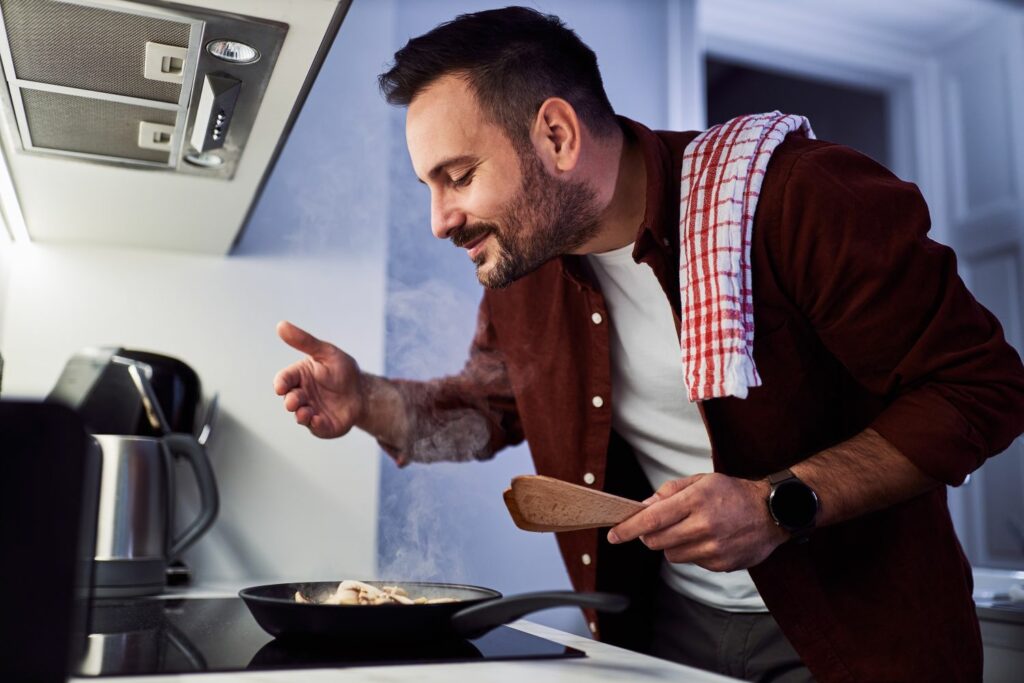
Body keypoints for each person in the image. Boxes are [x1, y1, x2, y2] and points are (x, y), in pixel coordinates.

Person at [273, 7, 1024, 682]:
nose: (440, 219)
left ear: (557, 135)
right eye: (430, 187)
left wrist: (777, 504)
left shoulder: (795, 198)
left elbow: (981, 387)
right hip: (664, 631)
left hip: (857, 636)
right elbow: (487, 409)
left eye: (459, 176)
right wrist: (366, 399)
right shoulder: (523, 272)